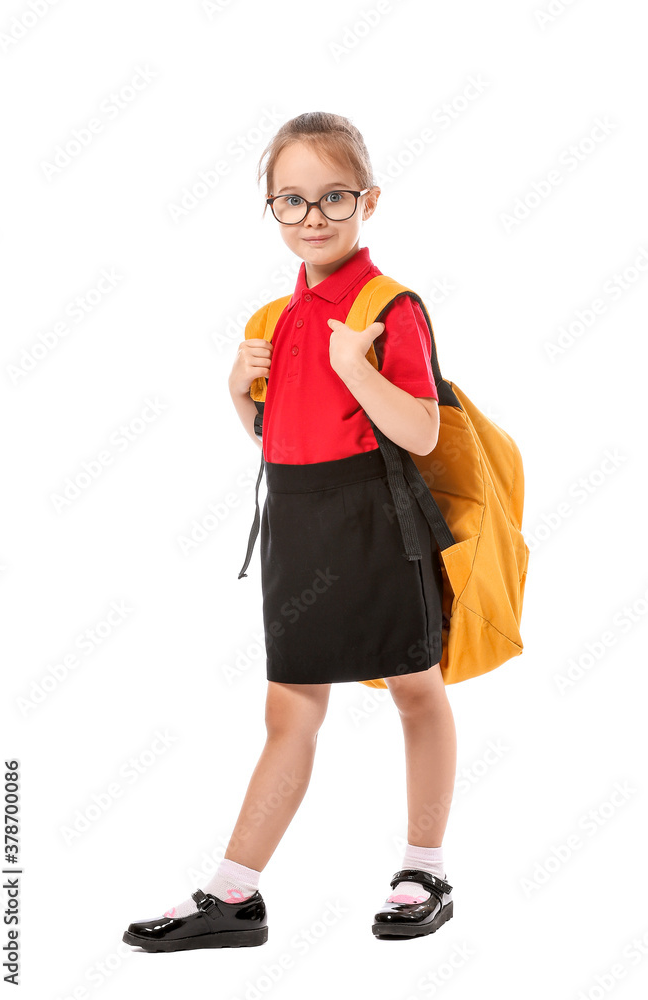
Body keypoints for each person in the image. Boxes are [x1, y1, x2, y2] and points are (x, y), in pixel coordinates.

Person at [122, 111, 457, 952]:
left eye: (333, 197)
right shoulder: (274, 316)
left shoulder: (390, 308)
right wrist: (239, 392)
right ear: (270, 207)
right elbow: (279, 438)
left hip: (381, 525)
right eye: (291, 201)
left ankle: (425, 871)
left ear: (368, 200)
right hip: (299, 528)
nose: (312, 217)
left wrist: (355, 367)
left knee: (416, 692)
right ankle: (234, 898)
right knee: (290, 713)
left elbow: (420, 434)